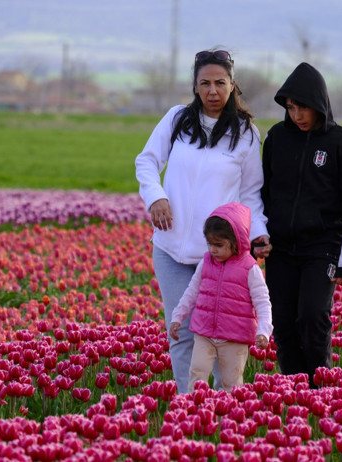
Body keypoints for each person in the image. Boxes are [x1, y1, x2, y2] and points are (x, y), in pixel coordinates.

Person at [135, 49, 271, 394]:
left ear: (232, 85)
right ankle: (189, 406)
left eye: (220, 83)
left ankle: (221, 409)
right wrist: (156, 197)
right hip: (169, 249)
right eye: (205, 83)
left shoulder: (246, 133)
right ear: (195, 86)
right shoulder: (177, 120)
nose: (213, 91)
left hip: (217, 256)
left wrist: (259, 235)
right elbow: (147, 162)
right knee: (179, 331)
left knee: (217, 337)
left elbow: (252, 193)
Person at [260, 62, 342, 388]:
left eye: (302, 107)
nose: (296, 115)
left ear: (319, 103)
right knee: (284, 323)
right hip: (280, 247)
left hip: (322, 247)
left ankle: (320, 389)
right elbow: (260, 191)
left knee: (312, 316)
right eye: (290, 108)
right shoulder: (276, 138)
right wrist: (257, 234)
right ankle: (294, 389)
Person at [169, 202, 272, 392]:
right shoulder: (206, 262)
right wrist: (178, 316)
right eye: (209, 243)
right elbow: (192, 292)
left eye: (219, 245)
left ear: (236, 242)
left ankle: (230, 418)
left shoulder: (250, 268)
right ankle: (193, 412)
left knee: (231, 383)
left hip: (235, 337)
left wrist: (264, 331)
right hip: (204, 332)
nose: (213, 250)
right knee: (197, 373)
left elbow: (262, 302)